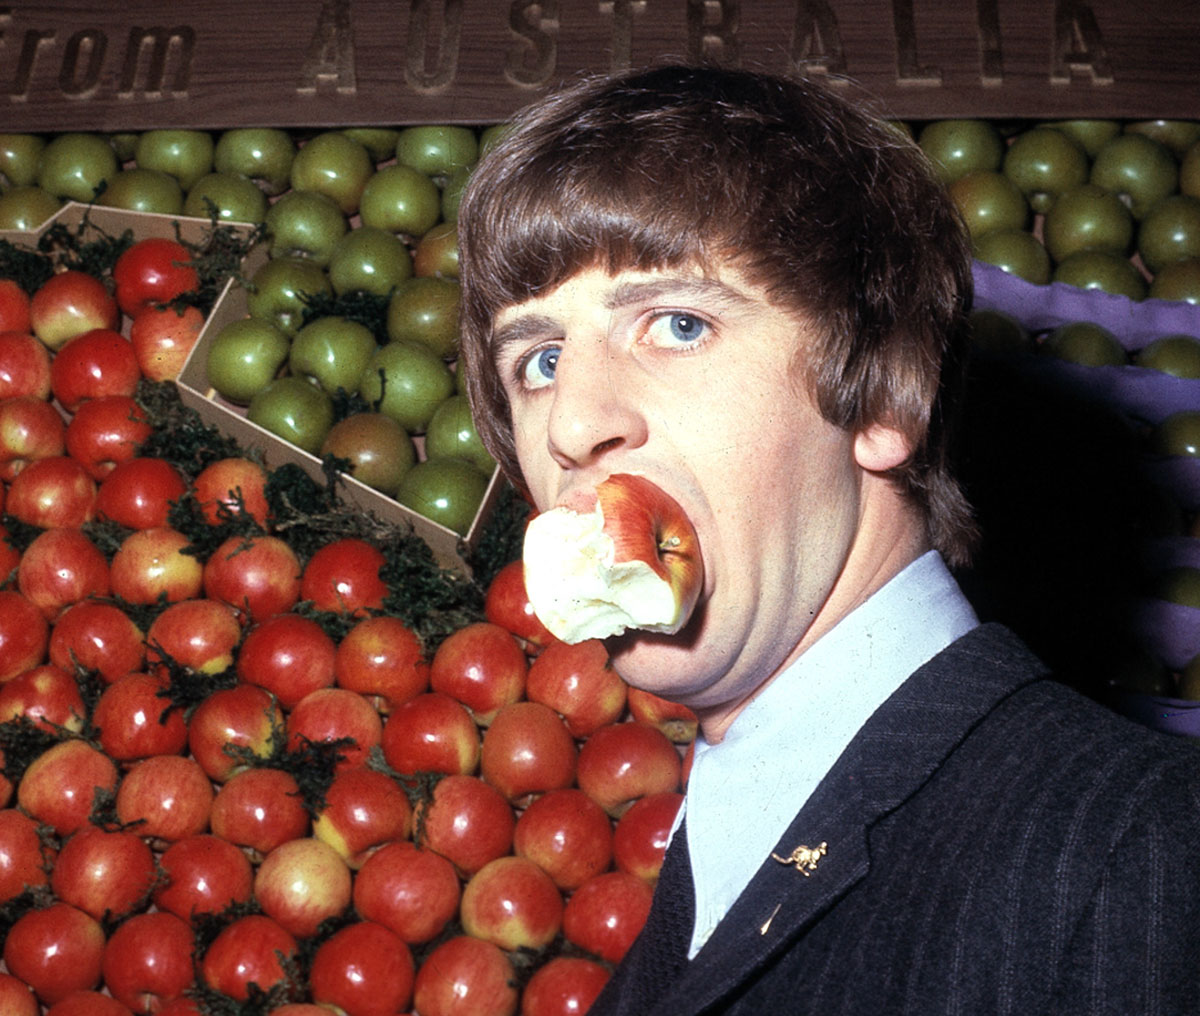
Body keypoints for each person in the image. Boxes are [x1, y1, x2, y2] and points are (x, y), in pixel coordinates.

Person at [457, 64, 1200, 1015]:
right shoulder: (720, 850)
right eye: (541, 358)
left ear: (885, 395)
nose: (569, 422)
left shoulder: (1141, 853)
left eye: (677, 324)